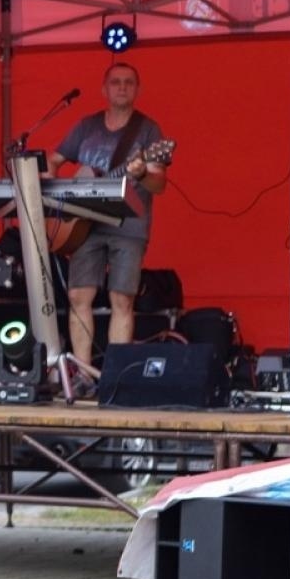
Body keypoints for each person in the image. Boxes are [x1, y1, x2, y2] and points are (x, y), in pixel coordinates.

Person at [47, 62, 168, 376]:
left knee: (122, 298)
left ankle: (115, 376)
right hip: (84, 226)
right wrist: (55, 185)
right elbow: (54, 159)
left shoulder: (148, 130)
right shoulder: (86, 126)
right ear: (104, 89)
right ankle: (85, 374)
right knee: (78, 296)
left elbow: (159, 183)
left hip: (129, 225)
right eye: (116, 82)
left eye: (129, 82)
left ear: (137, 90)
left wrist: (142, 173)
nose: (122, 87)